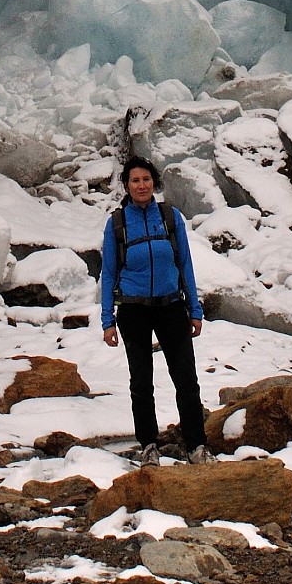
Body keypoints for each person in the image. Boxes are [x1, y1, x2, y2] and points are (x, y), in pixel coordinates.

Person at [99, 159, 208, 462]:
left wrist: (194, 309)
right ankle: (149, 446)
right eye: (135, 181)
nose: (141, 185)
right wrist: (108, 320)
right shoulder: (118, 223)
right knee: (141, 381)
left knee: (186, 379)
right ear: (126, 185)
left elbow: (184, 263)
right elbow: (108, 273)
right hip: (133, 310)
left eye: (146, 179)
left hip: (171, 306)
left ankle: (196, 446)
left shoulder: (170, 217)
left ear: (154, 183)